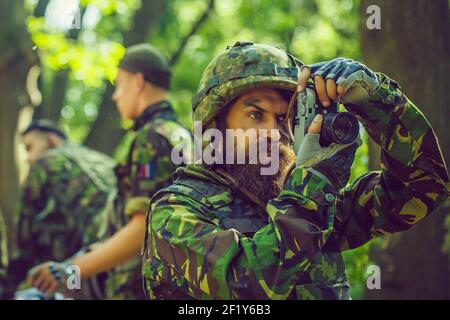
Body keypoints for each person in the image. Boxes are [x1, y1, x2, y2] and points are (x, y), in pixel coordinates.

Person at [141, 41, 450, 299]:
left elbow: (424, 186)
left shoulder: (313, 205)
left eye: (282, 119)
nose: (273, 133)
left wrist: (376, 100)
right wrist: (313, 187)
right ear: (216, 123)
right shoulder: (174, 212)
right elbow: (247, 284)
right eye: (255, 114)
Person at [28, 43, 191, 299]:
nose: (115, 96)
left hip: (137, 287)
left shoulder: (152, 138)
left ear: (138, 82)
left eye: (119, 85)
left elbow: (143, 229)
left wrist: (69, 271)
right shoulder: (180, 134)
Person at [2, 120, 116, 298]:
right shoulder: (102, 160)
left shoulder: (46, 162)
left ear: (51, 141)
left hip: (88, 264)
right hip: (121, 253)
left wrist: (8, 289)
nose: (28, 158)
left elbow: (23, 237)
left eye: (29, 147)